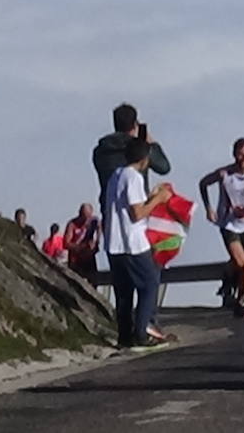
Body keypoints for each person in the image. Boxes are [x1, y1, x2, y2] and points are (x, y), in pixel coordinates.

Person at [104, 137, 173, 350]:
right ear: (145, 159)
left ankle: (124, 336)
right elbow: (137, 213)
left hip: (114, 243)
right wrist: (159, 200)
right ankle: (141, 333)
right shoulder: (133, 177)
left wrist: (149, 197)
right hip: (132, 243)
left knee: (123, 292)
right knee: (149, 284)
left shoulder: (115, 175)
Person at [199, 137, 244, 318]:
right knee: (241, 264)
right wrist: (208, 207)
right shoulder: (225, 174)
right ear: (234, 155)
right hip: (229, 224)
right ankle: (234, 286)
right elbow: (203, 183)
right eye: (240, 154)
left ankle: (240, 300)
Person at [93, 103, 171, 208]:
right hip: (137, 210)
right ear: (135, 125)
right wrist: (149, 142)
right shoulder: (140, 149)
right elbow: (164, 167)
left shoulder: (100, 151)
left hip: (109, 210)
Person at [63, 203, 100, 280]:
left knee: (93, 280)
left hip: (89, 258)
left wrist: (96, 242)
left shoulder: (94, 222)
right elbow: (66, 244)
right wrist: (81, 246)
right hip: (76, 259)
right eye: (83, 216)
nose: (85, 220)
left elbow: (100, 230)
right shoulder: (72, 224)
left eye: (88, 217)